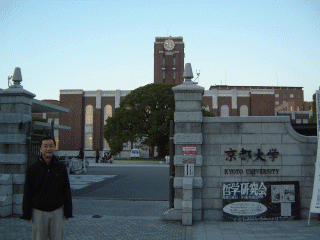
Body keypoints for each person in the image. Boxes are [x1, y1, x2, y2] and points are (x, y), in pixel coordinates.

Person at [21, 136, 73, 240]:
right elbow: (27, 192)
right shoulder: (33, 169)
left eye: (51, 146)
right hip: (39, 212)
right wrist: (26, 213)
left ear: (54, 147)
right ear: (40, 148)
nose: (48, 149)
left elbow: (66, 190)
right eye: (45, 146)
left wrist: (68, 211)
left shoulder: (61, 168)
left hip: (57, 211)